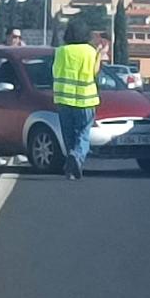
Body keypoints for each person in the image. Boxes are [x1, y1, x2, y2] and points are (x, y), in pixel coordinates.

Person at [52, 19, 100, 180]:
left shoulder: (61, 51)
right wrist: (101, 53)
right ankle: (76, 156)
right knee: (83, 133)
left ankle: (70, 166)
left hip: (63, 100)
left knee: (68, 135)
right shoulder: (90, 51)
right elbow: (95, 72)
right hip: (86, 100)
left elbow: (54, 72)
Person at [0, 29, 28, 167]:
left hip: (18, 95)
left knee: (17, 126)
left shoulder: (23, 53)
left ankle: (18, 153)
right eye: (14, 36)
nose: (16, 40)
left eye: (19, 37)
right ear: (7, 37)